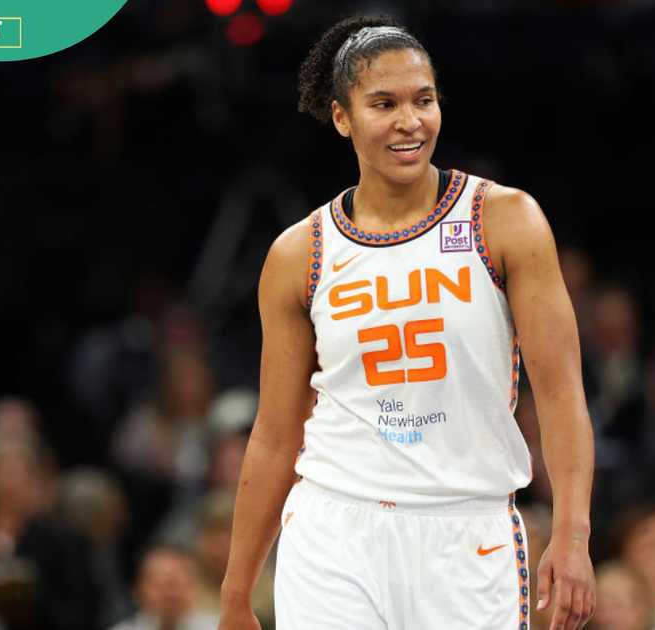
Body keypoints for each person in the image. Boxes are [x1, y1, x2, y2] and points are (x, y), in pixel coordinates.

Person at [218, 15, 595, 630]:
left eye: (423, 100)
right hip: (334, 527)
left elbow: (559, 394)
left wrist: (574, 534)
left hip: (466, 529)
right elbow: (275, 432)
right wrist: (237, 590)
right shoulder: (300, 252)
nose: (409, 121)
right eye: (383, 103)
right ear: (342, 117)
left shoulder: (504, 219)